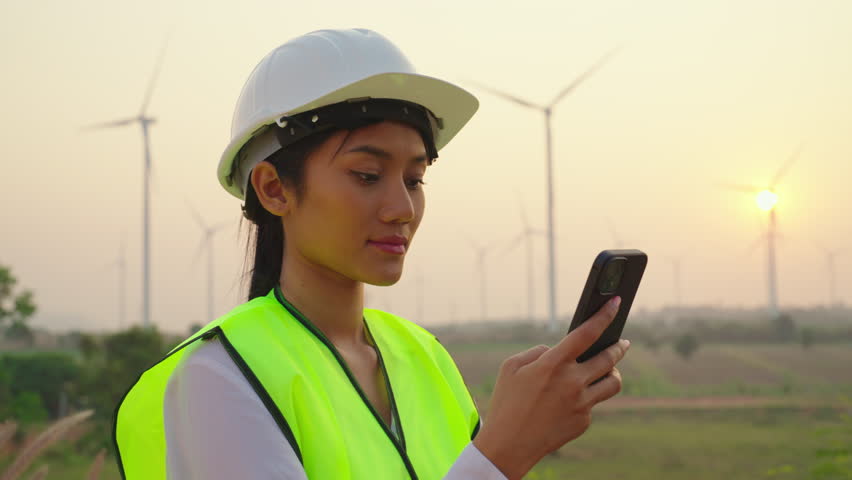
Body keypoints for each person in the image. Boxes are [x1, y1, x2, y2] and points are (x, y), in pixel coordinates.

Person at [112, 28, 631, 480]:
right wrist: (501, 455)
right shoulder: (218, 379)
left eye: (415, 179)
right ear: (273, 189)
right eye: (367, 175)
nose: (402, 208)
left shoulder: (426, 358)